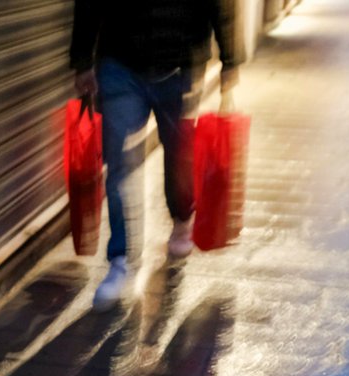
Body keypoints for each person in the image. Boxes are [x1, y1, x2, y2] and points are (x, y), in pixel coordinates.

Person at [70, 0, 243, 310]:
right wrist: (83, 60)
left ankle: (181, 218)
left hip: (181, 62)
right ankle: (120, 258)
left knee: (179, 153)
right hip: (120, 61)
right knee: (119, 163)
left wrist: (231, 60)